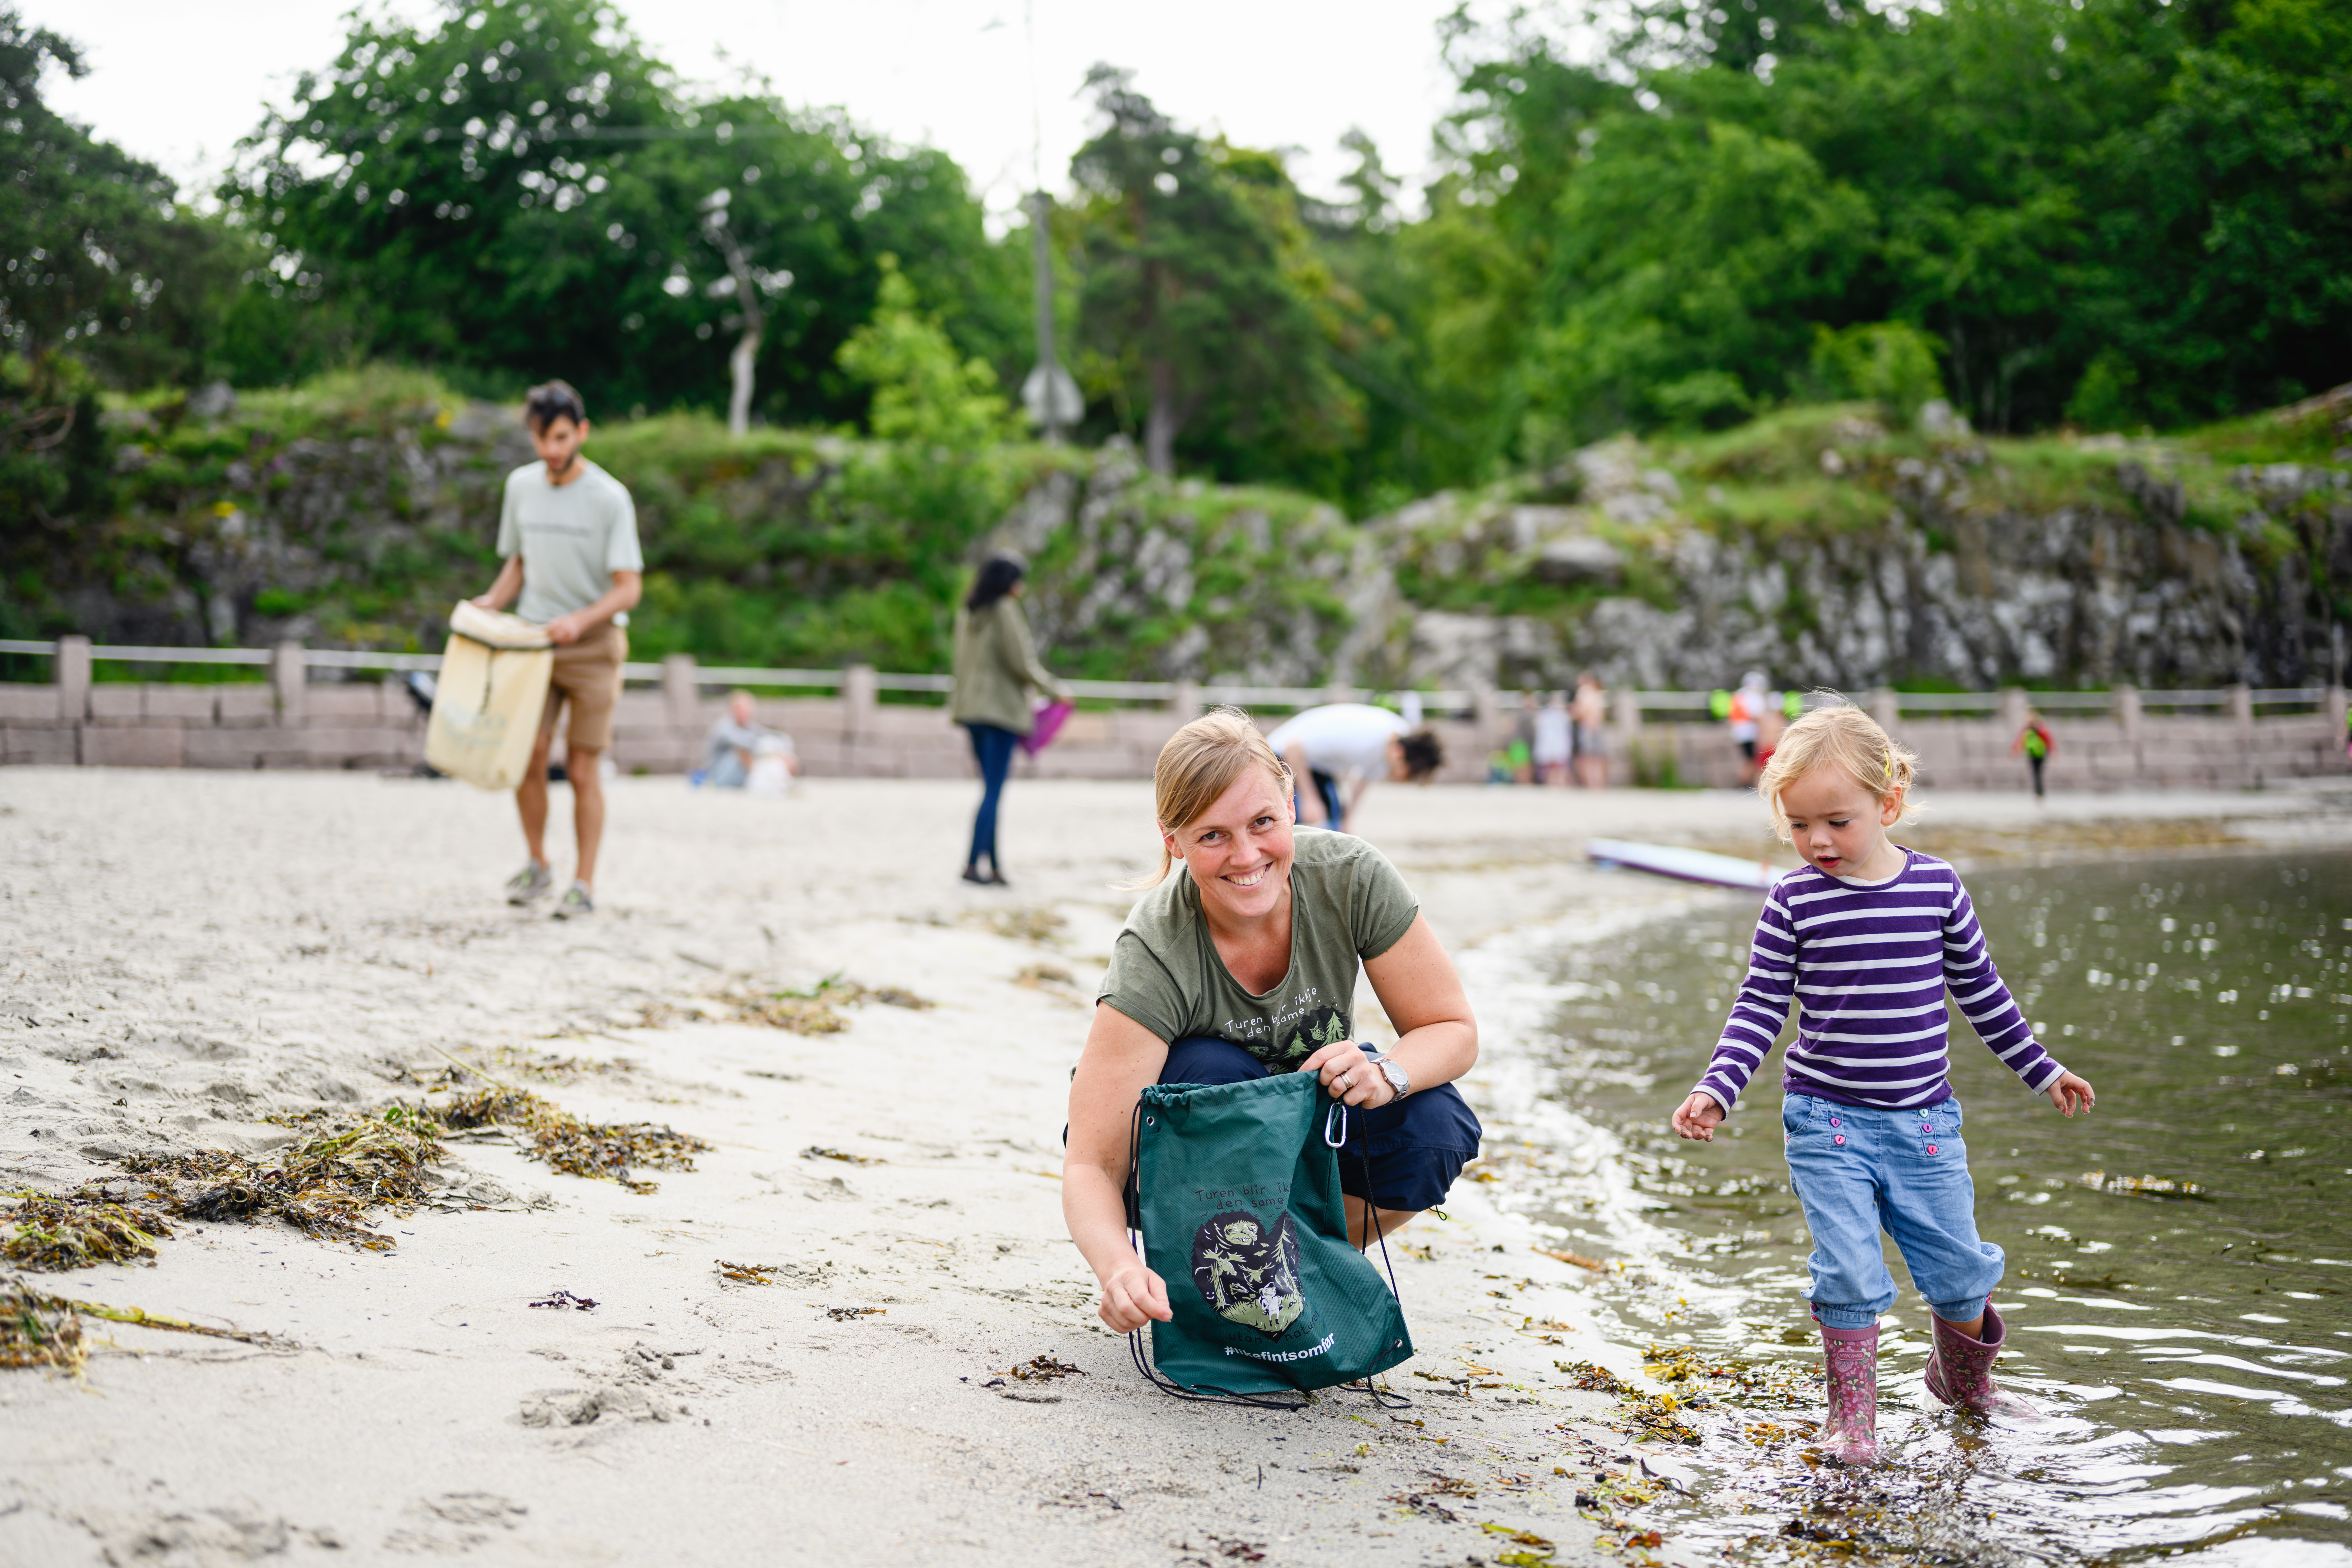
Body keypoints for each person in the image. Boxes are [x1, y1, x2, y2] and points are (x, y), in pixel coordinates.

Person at [1669, 702, 2097, 1466]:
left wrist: (2041, 1068)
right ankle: (1851, 1418)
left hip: (1924, 1124)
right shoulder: (1791, 902)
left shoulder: (1935, 888)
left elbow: (1981, 994)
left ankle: (1964, 1388)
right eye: (1798, 826)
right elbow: (1759, 1006)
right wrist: (1717, 1087)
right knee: (1846, 1269)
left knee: (1961, 1273)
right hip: (1825, 1122)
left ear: (1887, 803)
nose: (1817, 842)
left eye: (1836, 821)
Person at [1064, 710, 1484, 1335]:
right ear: (1172, 839)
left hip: (1302, 1138)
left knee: (1435, 1122)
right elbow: (1091, 1163)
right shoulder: (1155, 947)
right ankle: (1213, 1274)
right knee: (1218, 1071)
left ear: (1291, 800)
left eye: (1262, 821)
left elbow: (1451, 1028)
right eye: (1212, 836)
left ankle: (1299, 1268)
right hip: (1182, 1159)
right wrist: (1119, 1269)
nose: (1245, 855)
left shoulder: (1350, 875)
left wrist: (1384, 1071)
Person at [470, 380, 643, 919]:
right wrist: (491, 603)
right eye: (542, 439)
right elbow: (518, 561)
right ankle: (538, 863)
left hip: (593, 646)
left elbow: (628, 586)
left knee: (584, 769)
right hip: (534, 641)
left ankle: (584, 883)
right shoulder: (520, 487)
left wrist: (581, 620)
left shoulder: (609, 497)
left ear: (582, 432)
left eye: (562, 438)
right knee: (529, 757)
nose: (552, 450)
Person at [949, 553, 1068, 887]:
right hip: (999, 713)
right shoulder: (1004, 609)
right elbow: (1022, 662)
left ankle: (994, 866)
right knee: (994, 792)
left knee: (989, 790)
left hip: (971, 711)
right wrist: (1055, 691)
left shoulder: (969, 612)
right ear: (1007, 582)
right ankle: (974, 865)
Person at [1262, 702, 1444, 834]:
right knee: (1301, 818)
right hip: (1281, 756)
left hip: (1316, 766)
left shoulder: (1397, 739)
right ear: (1399, 754)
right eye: (1409, 773)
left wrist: (1347, 821)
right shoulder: (1367, 737)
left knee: (1334, 827)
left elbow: (1363, 781)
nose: (1405, 779)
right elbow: (1293, 748)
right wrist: (1311, 799)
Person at [700, 690, 798, 790]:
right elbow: (749, 743)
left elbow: (775, 736)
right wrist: (778, 756)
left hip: (739, 775)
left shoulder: (750, 727)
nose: (744, 711)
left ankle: (777, 782)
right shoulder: (724, 727)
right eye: (740, 708)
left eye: (747, 707)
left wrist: (787, 754)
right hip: (717, 777)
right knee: (743, 751)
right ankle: (768, 782)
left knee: (768, 747)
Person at [1727, 670, 1769, 786]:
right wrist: (1764, 734)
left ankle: (1743, 783)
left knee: (1747, 758)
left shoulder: (1739, 695)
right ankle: (1744, 784)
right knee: (1750, 760)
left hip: (1738, 732)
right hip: (1749, 733)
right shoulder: (1754, 697)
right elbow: (1759, 717)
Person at [1570, 671, 1610, 789]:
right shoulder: (1598, 693)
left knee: (1587, 757)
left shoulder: (1584, 691)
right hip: (1598, 727)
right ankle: (1600, 784)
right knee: (1599, 757)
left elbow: (1580, 712)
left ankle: (1591, 784)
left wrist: (1572, 712)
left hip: (1588, 728)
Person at [1532, 691, 1572, 786]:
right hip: (1552, 745)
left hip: (1557, 745)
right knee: (1552, 767)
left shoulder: (1562, 715)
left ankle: (1558, 783)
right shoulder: (1546, 715)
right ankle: (1554, 783)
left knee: (1559, 767)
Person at [2013, 709, 2054, 799]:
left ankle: (2039, 792)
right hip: (2034, 753)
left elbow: (2047, 739)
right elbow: (2021, 740)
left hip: (2039, 753)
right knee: (2037, 773)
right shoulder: (2031, 727)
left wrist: (2052, 751)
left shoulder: (2038, 727)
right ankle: (2039, 792)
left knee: (2037, 773)